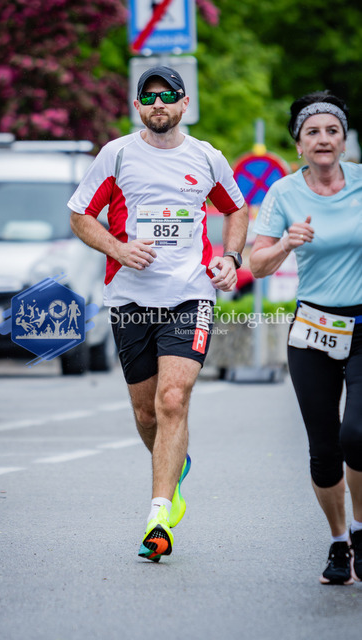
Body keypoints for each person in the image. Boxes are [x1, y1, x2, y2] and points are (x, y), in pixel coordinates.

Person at [68, 65, 248, 561]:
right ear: (137, 107)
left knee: (173, 399)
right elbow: (80, 215)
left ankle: (158, 517)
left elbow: (236, 208)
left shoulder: (206, 157)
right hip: (129, 300)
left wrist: (231, 258)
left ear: (185, 103)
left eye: (168, 95)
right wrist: (119, 248)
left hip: (190, 295)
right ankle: (176, 464)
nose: (158, 104)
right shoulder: (118, 155)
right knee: (147, 412)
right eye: (148, 97)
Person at [250, 91, 362, 585]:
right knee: (324, 448)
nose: (323, 139)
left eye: (332, 130)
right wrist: (285, 243)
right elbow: (256, 265)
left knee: (357, 434)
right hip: (314, 329)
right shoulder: (283, 193)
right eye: (312, 132)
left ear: (343, 141)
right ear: (299, 145)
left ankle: (361, 528)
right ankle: (339, 541)